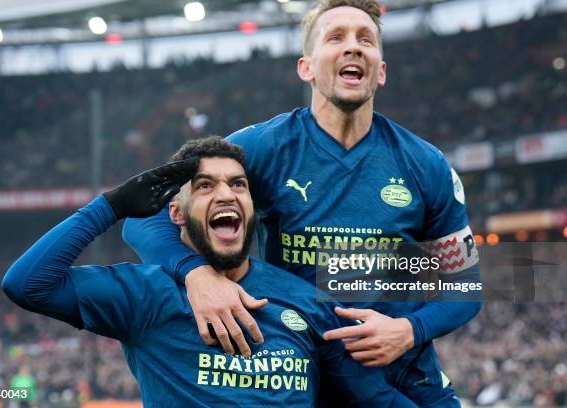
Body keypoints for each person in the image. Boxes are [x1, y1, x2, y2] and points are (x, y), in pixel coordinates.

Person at [123, 0, 482, 406]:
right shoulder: (261, 148)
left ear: (380, 71)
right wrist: (196, 273)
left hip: (403, 375)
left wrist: (410, 330)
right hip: (301, 376)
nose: (353, 47)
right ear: (306, 68)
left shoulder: (424, 163)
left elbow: (464, 284)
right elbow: (143, 217)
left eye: (366, 39)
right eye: (335, 37)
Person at [2, 137, 417, 407]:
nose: (226, 193)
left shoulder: (418, 161)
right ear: (176, 213)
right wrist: (111, 206)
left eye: (238, 185)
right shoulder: (143, 295)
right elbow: (26, 284)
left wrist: (414, 327)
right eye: (205, 186)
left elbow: (372, 397)